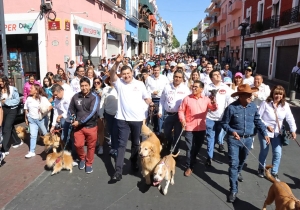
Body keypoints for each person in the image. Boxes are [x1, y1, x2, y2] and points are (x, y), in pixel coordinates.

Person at [221, 84, 269, 203]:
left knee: (242, 161)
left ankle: (237, 172)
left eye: (251, 95)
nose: (251, 97)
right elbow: (224, 123)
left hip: (248, 139)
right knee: (233, 163)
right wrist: (232, 132)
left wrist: (265, 133)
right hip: (234, 140)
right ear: (241, 96)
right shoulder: (231, 108)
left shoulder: (253, 107)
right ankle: (233, 189)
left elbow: (258, 121)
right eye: (248, 95)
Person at [109, 53, 152, 182]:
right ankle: (118, 171)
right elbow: (111, 73)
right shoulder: (119, 83)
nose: (126, 76)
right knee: (122, 145)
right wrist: (116, 63)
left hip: (137, 119)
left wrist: (151, 104)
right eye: (124, 74)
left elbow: (146, 97)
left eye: (128, 73)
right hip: (122, 119)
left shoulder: (139, 84)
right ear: (121, 75)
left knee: (135, 143)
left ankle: (133, 162)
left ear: (132, 73)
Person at [257, 85, 297, 181]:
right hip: (265, 132)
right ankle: (261, 168)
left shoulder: (285, 105)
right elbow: (258, 117)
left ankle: (274, 172)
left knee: (277, 153)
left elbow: (290, 118)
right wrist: (266, 125)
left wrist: (293, 130)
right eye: (276, 93)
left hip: (277, 133)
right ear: (272, 94)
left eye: (280, 94)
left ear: (283, 95)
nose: (278, 96)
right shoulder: (265, 103)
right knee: (264, 151)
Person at [179, 80, 217, 176]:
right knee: (189, 147)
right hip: (189, 128)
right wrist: (182, 120)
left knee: (197, 147)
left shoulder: (206, 99)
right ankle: (189, 166)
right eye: (193, 86)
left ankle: (193, 158)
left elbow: (213, 109)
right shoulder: (187, 99)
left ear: (201, 89)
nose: (194, 88)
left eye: (196, 87)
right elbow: (181, 111)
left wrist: (214, 103)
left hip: (201, 128)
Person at [68, 77, 100, 174]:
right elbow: (71, 108)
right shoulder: (75, 96)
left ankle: (89, 164)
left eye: (86, 85)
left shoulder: (95, 97)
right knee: (78, 145)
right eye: (82, 86)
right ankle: (82, 158)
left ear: (89, 86)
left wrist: (80, 121)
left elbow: (92, 112)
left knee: (91, 146)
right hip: (78, 127)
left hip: (91, 126)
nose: (84, 87)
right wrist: (72, 116)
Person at [203, 69, 234, 165]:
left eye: (219, 74)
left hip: (222, 118)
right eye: (215, 75)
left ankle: (211, 150)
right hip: (210, 117)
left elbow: (230, 100)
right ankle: (209, 157)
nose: (218, 76)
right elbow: (202, 100)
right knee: (210, 137)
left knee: (216, 138)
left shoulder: (225, 87)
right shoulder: (207, 88)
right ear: (212, 78)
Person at [159, 70, 190, 154]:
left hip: (179, 116)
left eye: (180, 77)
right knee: (167, 133)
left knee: (177, 135)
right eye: (176, 77)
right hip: (167, 114)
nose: (177, 79)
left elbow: (188, 103)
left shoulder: (185, 89)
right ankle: (169, 142)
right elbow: (162, 100)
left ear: (182, 79)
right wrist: (160, 111)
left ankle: (175, 152)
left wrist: (186, 117)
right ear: (173, 77)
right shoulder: (167, 87)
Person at [50, 84, 78, 165]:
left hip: (74, 120)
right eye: (54, 95)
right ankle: (69, 152)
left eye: (56, 94)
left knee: (73, 138)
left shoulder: (69, 97)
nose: (55, 96)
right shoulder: (56, 100)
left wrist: (62, 115)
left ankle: (74, 157)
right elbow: (56, 112)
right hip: (66, 120)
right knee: (64, 138)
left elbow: (71, 109)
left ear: (61, 91)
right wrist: (53, 125)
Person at [24, 84, 52, 158]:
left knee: (45, 134)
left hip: (41, 120)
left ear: (36, 90)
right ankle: (32, 151)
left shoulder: (42, 98)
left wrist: (44, 111)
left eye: (32, 88)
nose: (30, 89)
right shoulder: (28, 99)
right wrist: (26, 118)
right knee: (33, 135)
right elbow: (26, 109)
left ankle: (51, 146)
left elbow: (50, 106)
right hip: (32, 120)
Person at [0, 76, 23, 155]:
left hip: (12, 110)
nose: (0, 83)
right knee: (10, 126)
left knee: (6, 128)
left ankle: (4, 149)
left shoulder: (13, 89)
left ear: (5, 81)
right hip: (3, 110)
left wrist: (6, 101)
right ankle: (18, 141)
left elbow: (17, 100)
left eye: (1, 81)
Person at [99, 76, 118, 157]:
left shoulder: (120, 88)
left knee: (116, 132)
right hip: (108, 114)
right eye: (111, 79)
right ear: (109, 81)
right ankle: (114, 147)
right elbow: (102, 102)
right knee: (111, 131)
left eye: (114, 79)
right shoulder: (105, 89)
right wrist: (101, 113)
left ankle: (116, 148)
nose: (112, 81)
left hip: (118, 114)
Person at [147, 65, 169, 135]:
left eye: (157, 70)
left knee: (161, 116)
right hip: (153, 99)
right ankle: (156, 131)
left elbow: (168, 88)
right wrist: (152, 92)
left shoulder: (164, 78)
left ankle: (160, 133)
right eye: (155, 70)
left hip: (162, 99)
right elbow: (146, 90)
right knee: (155, 117)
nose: (156, 72)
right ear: (152, 70)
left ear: (160, 70)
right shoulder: (149, 78)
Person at [92, 77, 105, 155]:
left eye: (98, 82)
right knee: (94, 130)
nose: (96, 84)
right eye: (95, 83)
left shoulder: (104, 90)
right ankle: (97, 141)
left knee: (100, 130)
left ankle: (101, 146)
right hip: (93, 113)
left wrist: (100, 94)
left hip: (101, 112)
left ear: (101, 83)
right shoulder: (91, 91)